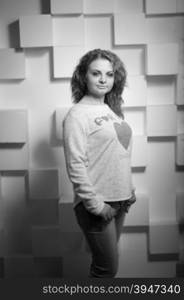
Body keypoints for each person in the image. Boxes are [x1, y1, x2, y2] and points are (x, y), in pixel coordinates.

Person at [63, 49, 136, 278]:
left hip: (121, 200)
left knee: (107, 266)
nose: (104, 79)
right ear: (84, 76)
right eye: (96, 73)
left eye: (110, 74)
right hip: (98, 203)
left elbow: (118, 153)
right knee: (106, 270)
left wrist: (129, 189)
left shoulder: (110, 110)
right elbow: (76, 163)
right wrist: (95, 205)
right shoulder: (77, 115)